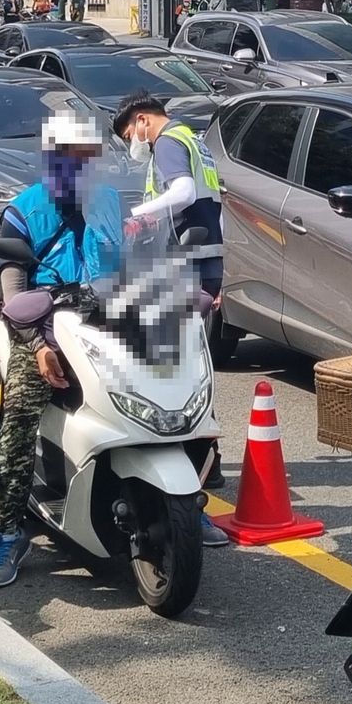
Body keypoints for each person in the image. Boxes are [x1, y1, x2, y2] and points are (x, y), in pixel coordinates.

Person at [0, 112, 128, 588]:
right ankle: (9, 529)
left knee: (171, 385)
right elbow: (12, 290)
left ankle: (185, 500)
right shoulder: (26, 210)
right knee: (21, 412)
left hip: (105, 321)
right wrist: (38, 345)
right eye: (69, 161)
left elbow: (131, 265)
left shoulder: (109, 201)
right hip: (43, 323)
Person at [111, 90, 230, 515]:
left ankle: (193, 455)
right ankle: (207, 459)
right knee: (192, 358)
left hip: (188, 265)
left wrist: (142, 214)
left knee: (174, 363)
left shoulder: (167, 142)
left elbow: (180, 193)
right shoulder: (193, 139)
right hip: (206, 261)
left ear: (143, 120)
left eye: (130, 133)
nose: (133, 143)